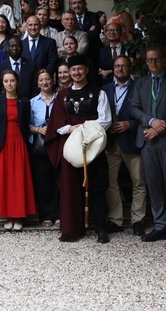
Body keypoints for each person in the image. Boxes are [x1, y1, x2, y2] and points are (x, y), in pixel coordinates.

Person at [45, 55, 112, 243]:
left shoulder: (99, 93)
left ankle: (101, 228)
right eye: (73, 70)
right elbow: (56, 124)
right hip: (72, 148)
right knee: (71, 188)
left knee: (97, 187)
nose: (76, 73)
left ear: (86, 70)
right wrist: (72, 129)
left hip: (94, 146)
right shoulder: (63, 95)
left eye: (80, 69)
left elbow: (105, 120)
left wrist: (84, 131)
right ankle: (74, 228)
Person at [129, 46, 166, 248]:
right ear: (146, 62)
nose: (153, 63)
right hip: (146, 140)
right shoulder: (140, 83)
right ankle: (160, 226)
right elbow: (134, 108)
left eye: (156, 59)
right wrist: (151, 121)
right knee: (153, 185)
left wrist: (160, 128)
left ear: (164, 60)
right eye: (149, 60)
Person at [102, 55, 147, 236]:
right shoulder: (105, 89)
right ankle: (116, 220)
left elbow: (146, 113)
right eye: (117, 66)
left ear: (130, 68)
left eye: (124, 66)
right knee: (110, 183)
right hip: (111, 142)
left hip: (132, 140)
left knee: (138, 182)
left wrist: (131, 124)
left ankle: (138, 220)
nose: (120, 69)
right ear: (113, 69)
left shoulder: (139, 87)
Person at [0, 70, 35, 231]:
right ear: (2, 83)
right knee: (4, 180)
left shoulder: (24, 101)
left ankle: (19, 216)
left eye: (12, 81)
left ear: (17, 82)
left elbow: (26, 122)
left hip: (19, 142)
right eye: (6, 81)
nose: (9, 84)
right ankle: (8, 215)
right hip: (3, 144)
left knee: (18, 179)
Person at [28, 68, 59, 227]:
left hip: (59, 145)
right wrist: (39, 129)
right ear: (37, 83)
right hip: (39, 148)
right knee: (43, 182)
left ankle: (59, 214)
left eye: (47, 79)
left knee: (60, 181)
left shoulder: (61, 99)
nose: (45, 82)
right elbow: (25, 125)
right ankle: (46, 215)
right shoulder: (32, 102)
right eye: (41, 80)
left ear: (52, 80)